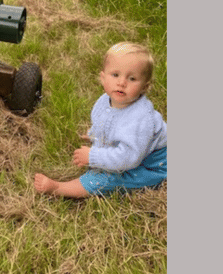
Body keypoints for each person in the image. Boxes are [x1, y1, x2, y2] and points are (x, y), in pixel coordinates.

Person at [34, 42, 167, 198]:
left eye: (132, 78)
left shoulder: (140, 118)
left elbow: (129, 158)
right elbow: (105, 122)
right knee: (107, 167)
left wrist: (93, 156)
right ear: (103, 78)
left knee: (104, 179)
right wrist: (95, 133)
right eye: (115, 75)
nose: (122, 82)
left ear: (144, 87)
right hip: (137, 154)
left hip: (152, 165)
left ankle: (58, 188)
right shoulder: (105, 101)